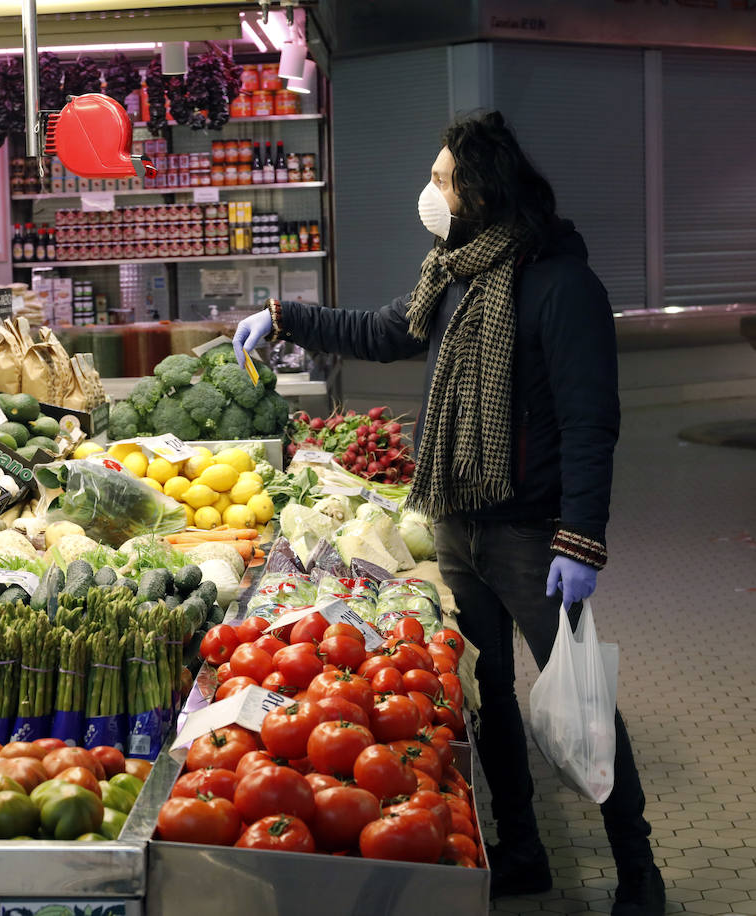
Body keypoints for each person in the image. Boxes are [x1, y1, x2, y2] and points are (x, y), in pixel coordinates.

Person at [235, 111, 663, 916]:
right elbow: (384, 330)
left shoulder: (561, 284)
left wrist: (581, 537)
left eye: (440, 179)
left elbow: (588, 419)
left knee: (582, 700)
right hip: (460, 523)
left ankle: (640, 870)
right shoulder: (457, 272)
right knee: (492, 695)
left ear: (479, 189)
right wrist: (287, 317)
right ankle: (525, 851)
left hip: (535, 535)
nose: (429, 193)